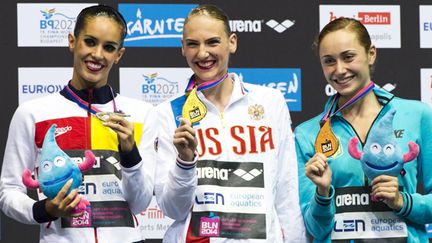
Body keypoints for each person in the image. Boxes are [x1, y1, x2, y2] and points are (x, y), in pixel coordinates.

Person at [0, 5, 156, 243]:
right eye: (90, 42)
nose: (98, 55)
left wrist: (130, 153)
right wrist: (44, 210)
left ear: (119, 55)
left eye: (109, 47)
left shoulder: (140, 114)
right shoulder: (32, 113)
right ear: (72, 41)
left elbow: (140, 202)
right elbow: (8, 192)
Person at [155, 4, 306, 242]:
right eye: (193, 44)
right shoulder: (170, 113)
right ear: (183, 48)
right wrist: (184, 162)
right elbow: (172, 209)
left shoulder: (270, 102)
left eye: (212, 42)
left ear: (232, 42)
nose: (202, 53)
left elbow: (287, 191)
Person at [295, 17, 432, 242]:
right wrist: (322, 194)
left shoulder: (417, 115)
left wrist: (402, 201)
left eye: (348, 57)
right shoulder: (307, 134)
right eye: (329, 61)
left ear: (371, 54)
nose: (339, 70)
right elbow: (315, 229)